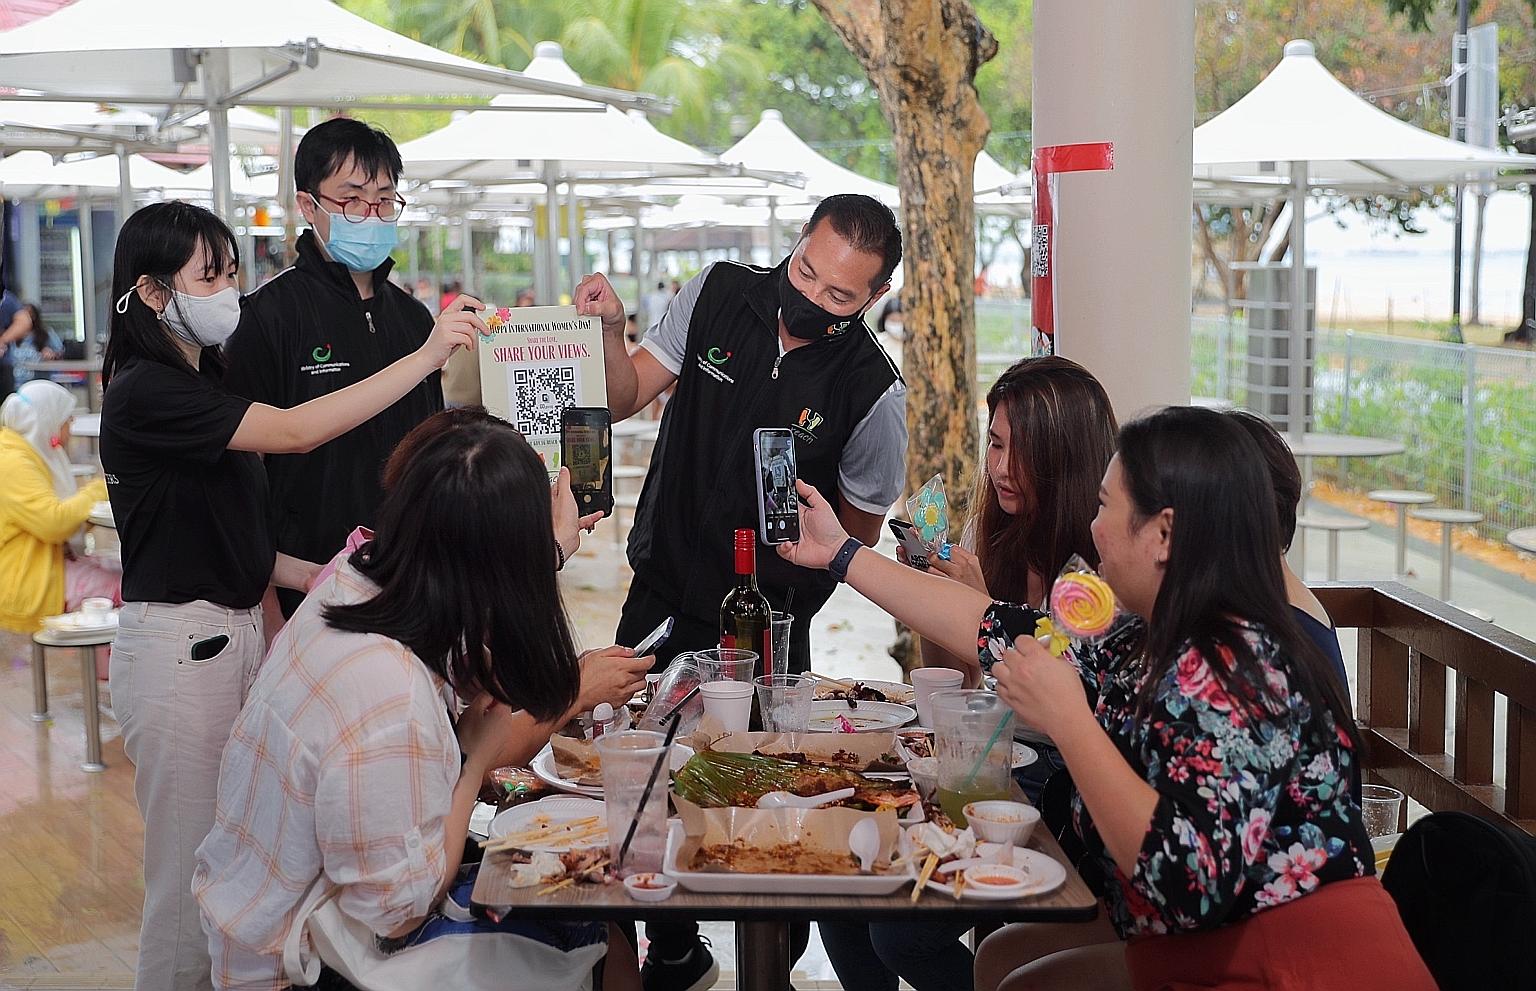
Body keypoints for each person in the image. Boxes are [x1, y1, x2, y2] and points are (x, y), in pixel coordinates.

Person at [780, 406, 1435, 991]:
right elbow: (995, 628)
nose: (1091, 532)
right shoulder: (1151, 621)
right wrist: (841, 552)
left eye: (1104, 507)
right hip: (1206, 930)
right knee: (1003, 959)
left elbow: (1188, 884)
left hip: (1289, 955)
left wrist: (1069, 720)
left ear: (1164, 533)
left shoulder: (1240, 661)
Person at [101, 200, 483, 991]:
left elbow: (220, 526)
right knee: (187, 892)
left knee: (240, 864)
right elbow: (297, 432)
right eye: (209, 275)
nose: (229, 290)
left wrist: (313, 576)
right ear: (150, 292)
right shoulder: (147, 390)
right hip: (182, 647)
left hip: (232, 631)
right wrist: (424, 356)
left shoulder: (199, 376)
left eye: (233, 269)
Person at [577, 192, 908, 991]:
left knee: (764, 797)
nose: (813, 296)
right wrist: (609, 330)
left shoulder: (873, 389)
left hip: (770, 626)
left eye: (840, 295)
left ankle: (772, 967)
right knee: (634, 778)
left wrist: (804, 553)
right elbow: (622, 398)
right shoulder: (718, 292)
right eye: (805, 272)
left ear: (873, 299)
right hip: (661, 589)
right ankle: (675, 948)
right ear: (795, 245)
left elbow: (856, 535)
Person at [194, 412, 647, 991]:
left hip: (285, 912)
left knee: (594, 917)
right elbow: (397, 908)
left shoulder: (358, 583)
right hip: (296, 963)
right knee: (597, 936)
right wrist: (474, 763)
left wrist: (545, 550)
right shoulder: (389, 690)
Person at [817, 357, 1117, 991]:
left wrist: (977, 610)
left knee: (901, 932)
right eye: (995, 444)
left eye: (1019, 451)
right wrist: (942, 603)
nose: (999, 467)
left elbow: (1034, 687)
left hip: (1059, 788)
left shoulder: (1093, 576)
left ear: (1065, 458)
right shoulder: (1004, 539)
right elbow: (958, 691)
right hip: (989, 765)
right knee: (842, 888)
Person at [223, 118, 442, 618]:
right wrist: (269, 606)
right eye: (352, 199)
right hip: (306, 584)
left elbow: (430, 456)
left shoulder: (414, 321)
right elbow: (238, 477)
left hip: (408, 580)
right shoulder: (268, 316)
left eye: (385, 199)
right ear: (308, 205)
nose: (371, 214)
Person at [0, 381, 111, 633]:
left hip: (46, 566)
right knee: (126, 591)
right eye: (66, 418)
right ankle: (114, 672)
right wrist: (98, 489)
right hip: (28, 580)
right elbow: (54, 523)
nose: (71, 426)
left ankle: (109, 671)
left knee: (128, 576)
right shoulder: (13, 462)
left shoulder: (25, 450)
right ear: (47, 419)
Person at [4, 303, 63, 385]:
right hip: (16, 382)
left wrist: (50, 354)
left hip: (38, 381)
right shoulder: (10, 335)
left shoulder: (46, 334)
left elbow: (59, 352)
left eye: (30, 315)